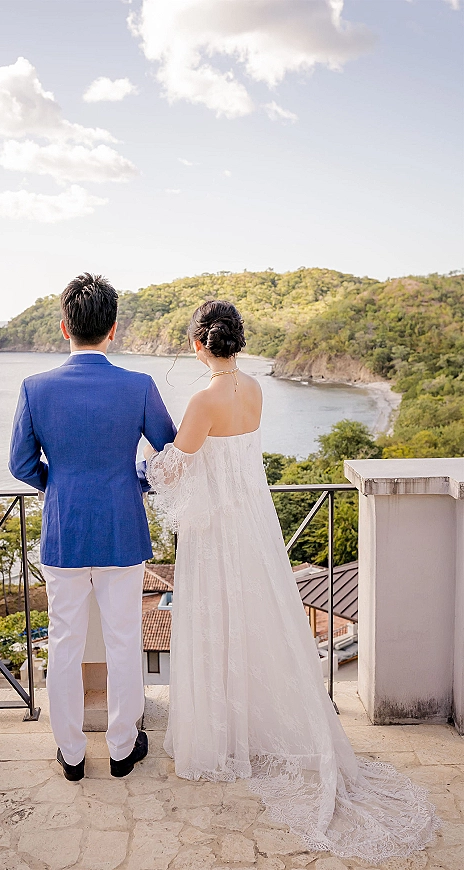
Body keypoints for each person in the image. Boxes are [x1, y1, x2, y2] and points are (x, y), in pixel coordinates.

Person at [144, 300, 439, 862]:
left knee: (217, 620)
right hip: (253, 521)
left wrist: (144, 463)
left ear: (200, 344)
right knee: (257, 619)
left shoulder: (203, 400)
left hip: (217, 530)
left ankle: (222, 737)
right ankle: (251, 728)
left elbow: (176, 467)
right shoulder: (254, 389)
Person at [9, 273, 176, 781]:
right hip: (122, 531)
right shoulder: (138, 386)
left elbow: (20, 464)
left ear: (64, 327)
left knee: (64, 644)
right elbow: (169, 454)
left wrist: (58, 483)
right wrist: (135, 479)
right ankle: (122, 748)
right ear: (113, 329)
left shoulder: (35, 388)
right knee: (124, 640)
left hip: (64, 532)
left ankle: (72, 753)